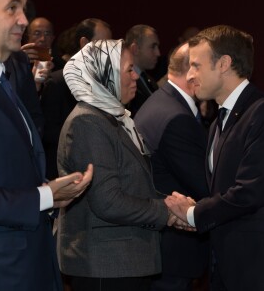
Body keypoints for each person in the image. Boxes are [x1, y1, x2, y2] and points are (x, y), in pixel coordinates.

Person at [0, 0, 93, 290]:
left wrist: (50, 192)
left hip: (24, 262)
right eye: (12, 8)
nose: (23, 19)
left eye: (23, 8)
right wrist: (46, 197)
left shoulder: (0, 73)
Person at [56, 39, 179, 291]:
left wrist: (173, 204)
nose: (135, 76)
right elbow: (107, 201)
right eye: (128, 70)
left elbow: (133, 184)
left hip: (122, 261)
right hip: (106, 265)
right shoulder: (88, 122)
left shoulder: (113, 118)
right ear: (105, 74)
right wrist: (166, 212)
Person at [164, 25, 264, 291]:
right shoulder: (218, 121)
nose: (190, 74)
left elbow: (250, 191)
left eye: (196, 65)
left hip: (253, 268)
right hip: (224, 264)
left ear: (224, 64)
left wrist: (195, 213)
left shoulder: (259, 113)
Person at [134, 42, 209, 291]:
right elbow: (204, 184)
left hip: (159, 245)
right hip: (172, 248)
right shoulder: (176, 117)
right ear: (192, 70)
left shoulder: (162, 100)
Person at [41, 18, 112, 180]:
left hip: (97, 171)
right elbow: (47, 132)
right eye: (104, 44)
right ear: (84, 43)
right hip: (64, 175)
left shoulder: (106, 82)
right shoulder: (58, 82)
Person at [125, 24, 160, 117]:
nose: (158, 53)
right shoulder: (124, 83)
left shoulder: (150, 80)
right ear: (135, 49)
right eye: (153, 47)